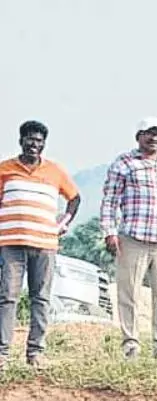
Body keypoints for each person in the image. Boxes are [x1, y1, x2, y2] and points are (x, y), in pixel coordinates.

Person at [100, 117, 157, 359]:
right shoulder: (125, 163)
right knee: (129, 293)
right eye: (148, 134)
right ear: (138, 136)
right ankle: (130, 344)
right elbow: (109, 200)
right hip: (133, 237)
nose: (153, 138)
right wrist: (109, 232)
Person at [0, 120, 80, 367]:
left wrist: (63, 223)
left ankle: (35, 353)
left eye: (39, 140)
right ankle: (2, 354)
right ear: (21, 140)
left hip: (45, 242)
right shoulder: (5, 169)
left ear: (44, 143)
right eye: (30, 139)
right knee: (7, 297)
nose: (34, 144)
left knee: (41, 298)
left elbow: (75, 198)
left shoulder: (55, 171)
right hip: (11, 242)